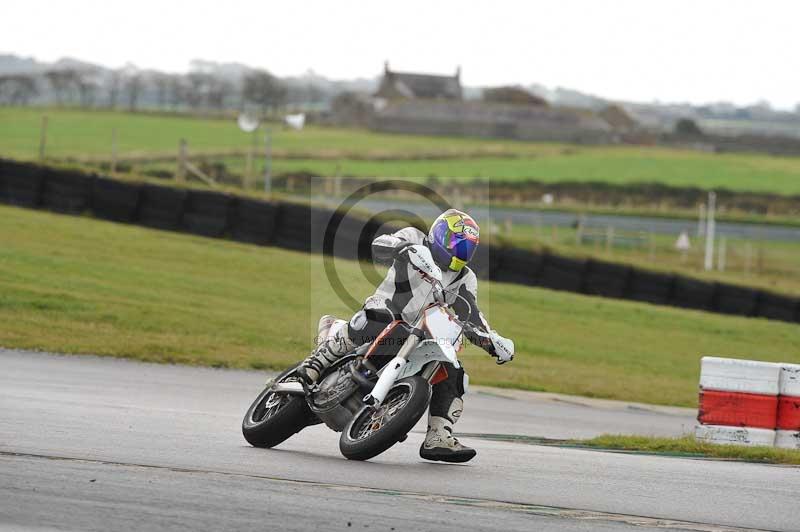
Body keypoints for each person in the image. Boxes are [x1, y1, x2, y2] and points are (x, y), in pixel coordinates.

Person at [298, 209, 514, 463]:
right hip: (389, 309)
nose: (460, 252)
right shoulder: (414, 237)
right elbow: (381, 244)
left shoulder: (465, 278)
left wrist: (494, 341)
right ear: (440, 234)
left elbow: (472, 314)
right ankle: (316, 362)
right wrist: (404, 248)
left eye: (467, 248)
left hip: (424, 335)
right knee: (378, 317)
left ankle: (438, 436)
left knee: (454, 370)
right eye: (457, 244)